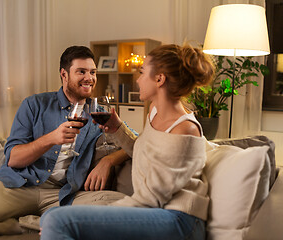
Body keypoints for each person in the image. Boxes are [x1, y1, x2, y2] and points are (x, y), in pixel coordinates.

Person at [0, 46, 129, 240]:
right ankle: (31, 223)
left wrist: (108, 161)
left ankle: (18, 225)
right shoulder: (34, 104)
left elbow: (135, 141)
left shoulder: (97, 112)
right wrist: (51, 138)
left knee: (124, 207)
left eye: (93, 72)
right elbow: (13, 159)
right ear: (64, 74)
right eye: (82, 72)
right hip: (18, 185)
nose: (90, 78)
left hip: (65, 194)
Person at [39, 43, 215, 240]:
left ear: (159, 79)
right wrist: (117, 129)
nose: (138, 80)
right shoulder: (155, 114)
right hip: (156, 210)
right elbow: (142, 151)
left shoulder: (185, 129)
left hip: (179, 219)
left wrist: (106, 212)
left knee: (58, 220)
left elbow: (152, 196)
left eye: (142, 72)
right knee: (49, 216)